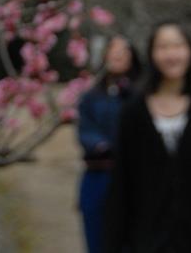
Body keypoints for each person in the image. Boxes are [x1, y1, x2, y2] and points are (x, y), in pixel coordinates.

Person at [104, 21, 191, 253]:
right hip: (145, 239)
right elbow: (121, 183)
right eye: (163, 47)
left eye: (178, 45)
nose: (171, 54)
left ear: (190, 52)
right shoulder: (133, 112)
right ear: (152, 54)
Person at [77, 35, 141, 253]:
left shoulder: (140, 96)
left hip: (133, 178)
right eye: (113, 49)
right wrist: (101, 145)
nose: (118, 54)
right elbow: (84, 130)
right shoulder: (91, 97)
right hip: (98, 175)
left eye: (124, 50)